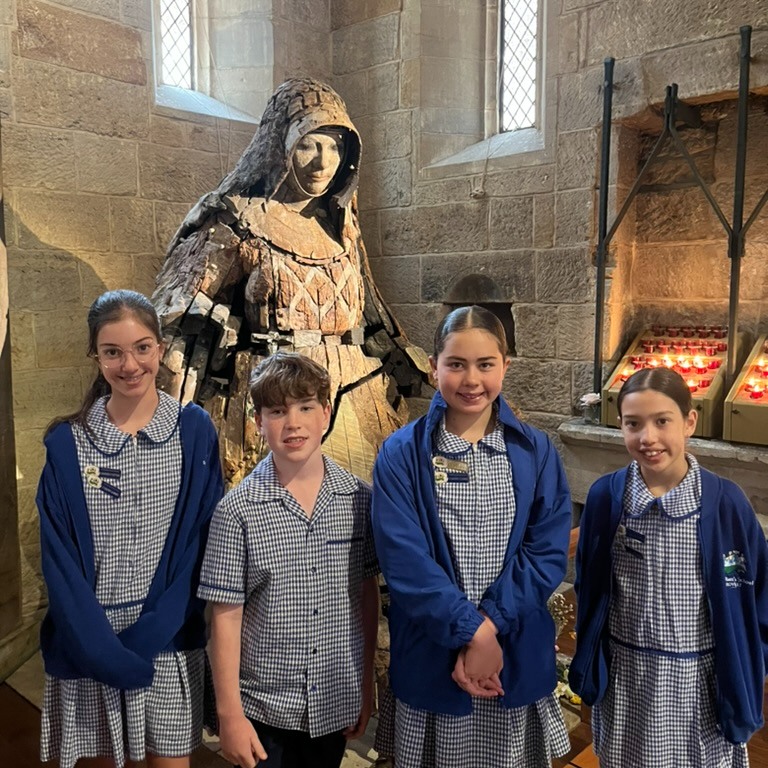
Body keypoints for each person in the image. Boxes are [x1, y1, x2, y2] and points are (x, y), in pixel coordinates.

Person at [152, 77, 428, 487]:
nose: (323, 161)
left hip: (353, 397)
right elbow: (177, 323)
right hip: (272, 402)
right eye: (308, 144)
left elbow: (373, 317)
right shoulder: (238, 221)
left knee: (362, 523)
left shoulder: (342, 230)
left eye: (335, 146)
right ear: (280, 147)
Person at [370, 305, 572, 768]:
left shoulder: (536, 452)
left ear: (506, 366)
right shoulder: (401, 455)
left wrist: (490, 629)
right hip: (434, 647)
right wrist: (471, 631)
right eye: (456, 364)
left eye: (485, 364)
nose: (471, 379)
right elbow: (405, 562)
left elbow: (544, 553)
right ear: (433, 365)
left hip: (510, 649)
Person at [37, 289, 224, 768]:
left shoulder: (193, 431)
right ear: (95, 356)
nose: (129, 365)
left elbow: (202, 543)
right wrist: (99, 649)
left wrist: (149, 636)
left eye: (142, 347)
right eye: (113, 351)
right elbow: (58, 559)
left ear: (161, 349)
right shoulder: (67, 444)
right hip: (89, 642)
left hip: (167, 639)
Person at [569, 367, 768, 767]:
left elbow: (758, 590)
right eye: (633, 424)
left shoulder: (725, 504)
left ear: (689, 421)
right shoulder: (607, 499)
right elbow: (589, 582)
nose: (649, 438)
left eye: (663, 421)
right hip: (628, 678)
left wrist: (751, 662)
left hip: (701, 681)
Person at [198, 352, 379, 768]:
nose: (293, 423)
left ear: (326, 413)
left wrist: (365, 687)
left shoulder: (359, 500)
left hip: (335, 698)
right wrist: (230, 715)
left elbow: (365, 596)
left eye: (305, 407)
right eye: (277, 411)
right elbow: (224, 616)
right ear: (259, 422)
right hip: (264, 709)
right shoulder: (237, 511)